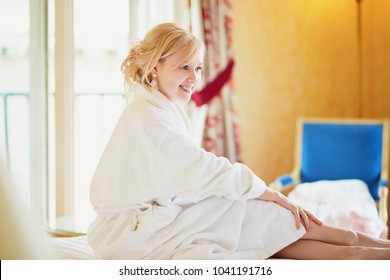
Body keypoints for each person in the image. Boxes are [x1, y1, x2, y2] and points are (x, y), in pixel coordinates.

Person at [87, 22, 390, 260]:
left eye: (198, 67)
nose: (194, 78)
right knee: (259, 211)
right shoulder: (148, 116)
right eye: (184, 67)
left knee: (256, 211)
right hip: (138, 235)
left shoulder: (158, 107)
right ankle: (361, 249)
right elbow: (203, 169)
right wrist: (271, 194)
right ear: (155, 67)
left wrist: (263, 195)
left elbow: (190, 176)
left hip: (161, 220)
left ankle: (365, 245)